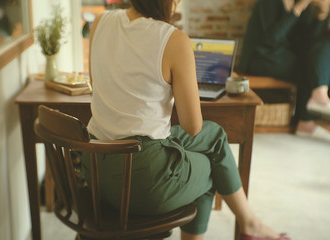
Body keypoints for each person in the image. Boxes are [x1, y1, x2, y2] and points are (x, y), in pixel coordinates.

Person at [82, 0, 290, 239]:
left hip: (96, 172)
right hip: (142, 180)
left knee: (215, 136)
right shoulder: (174, 40)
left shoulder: (100, 22)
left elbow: (97, 85)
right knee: (209, 169)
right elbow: (192, 126)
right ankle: (251, 224)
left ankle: (250, 223)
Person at [239, 0, 330, 141]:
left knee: (322, 48)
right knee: (310, 66)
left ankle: (318, 94)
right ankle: (306, 118)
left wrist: (322, 14)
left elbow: (309, 41)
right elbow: (270, 39)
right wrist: (297, 9)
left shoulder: (300, 4)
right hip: (261, 57)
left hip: (284, 56)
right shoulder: (268, 3)